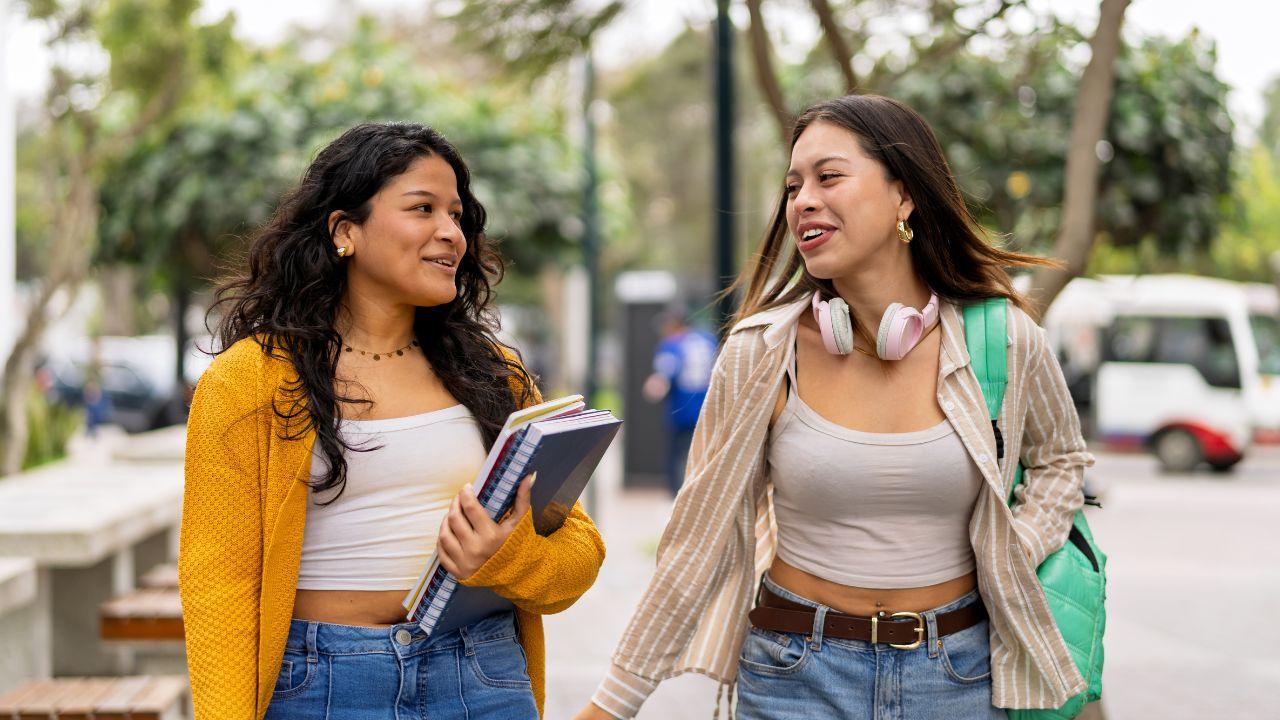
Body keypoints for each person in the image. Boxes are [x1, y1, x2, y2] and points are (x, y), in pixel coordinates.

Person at [575, 95, 1093, 720]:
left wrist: (1014, 552)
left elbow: (1061, 461)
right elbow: (698, 538)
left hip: (959, 675)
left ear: (904, 196)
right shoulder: (761, 351)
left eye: (829, 177)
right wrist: (613, 704)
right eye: (793, 186)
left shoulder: (1004, 338)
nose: (803, 201)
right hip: (794, 676)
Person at [180, 122, 606, 720]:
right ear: (344, 231)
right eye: (422, 208)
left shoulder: (494, 374)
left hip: (481, 675)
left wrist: (505, 556)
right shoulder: (250, 379)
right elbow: (218, 582)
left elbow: (579, 556)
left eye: (456, 214)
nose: (451, 233)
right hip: (320, 685)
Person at [642, 311, 718, 495]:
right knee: (704, 453)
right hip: (707, 408)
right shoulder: (708, 340)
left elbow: (663, 377)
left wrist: (652, 388)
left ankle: (677, 493)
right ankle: (702, 491)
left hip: (681, 410)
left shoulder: (671, 344)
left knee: (676, 454)